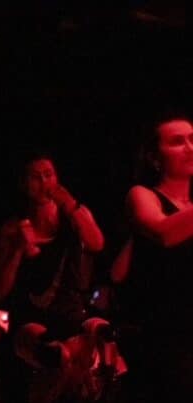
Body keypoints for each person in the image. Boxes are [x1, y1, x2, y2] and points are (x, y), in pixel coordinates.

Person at [0, 152, 104, 402]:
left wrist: (71, 204)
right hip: (31, 317)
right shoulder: (13, 229)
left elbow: (96, 243)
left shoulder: (74, 216)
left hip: (71, 312)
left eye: (48, 175)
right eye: (36, 177)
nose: (44, 182)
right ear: (24, 185)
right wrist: (18, 250)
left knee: (95, 354)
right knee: (54, 355)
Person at [118, 115, 193, 403]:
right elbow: (163, 232)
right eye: (177, 142)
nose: (189, 147)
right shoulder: (142, 195)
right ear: (153, 157)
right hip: (161, 342)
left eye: (192, 139)